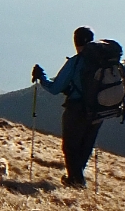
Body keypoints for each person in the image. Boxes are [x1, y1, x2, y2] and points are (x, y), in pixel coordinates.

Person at [32, 26, 101, 188]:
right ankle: (76, 179)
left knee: (70, 147)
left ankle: (77, 182)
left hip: (76, 110)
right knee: (85, 147)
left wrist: (41, 77)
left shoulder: (76, 62)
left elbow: (55, 88)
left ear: (75, 42)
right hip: (98, 111)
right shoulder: (102, 62)